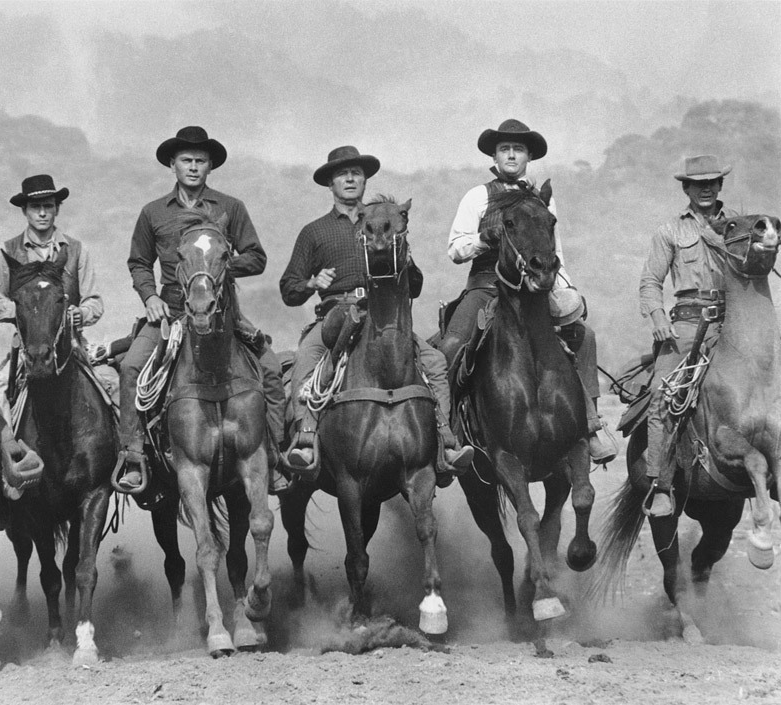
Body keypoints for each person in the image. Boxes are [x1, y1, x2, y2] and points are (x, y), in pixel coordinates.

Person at [278, 145, 472, 480]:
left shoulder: (386, 222)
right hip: (334, 314)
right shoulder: (315, 232)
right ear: (331, 184)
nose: (350, 178)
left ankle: (445, 441)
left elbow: (417, 286)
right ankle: (305, 439)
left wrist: (405, 261)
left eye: (356, 172)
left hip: (384, 317)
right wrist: (312, 281)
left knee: (436, 362)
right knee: (305, 361)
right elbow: (288, 289)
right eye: (342, 174)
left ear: (365, 180)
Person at [114, 126, 287, 493]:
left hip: (221, 311)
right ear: (173, 165)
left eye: (200, 161)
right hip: (171, 311)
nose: (193, 167)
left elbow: (256, 257)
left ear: (210, 167)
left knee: (270, 366)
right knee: (130, 368)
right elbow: (139, 262)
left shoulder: (230, 207)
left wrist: (213, 269)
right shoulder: (153, 212)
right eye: (186, 161)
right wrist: (150, 298)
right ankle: (134, 455)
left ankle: (274, 456)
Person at [440, 119, 617, 465]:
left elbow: (556, 255)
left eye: (517, 149)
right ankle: (447, 438)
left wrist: (569, 291)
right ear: (494, 155)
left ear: (528, 157)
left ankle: (591, 427)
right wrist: (481, 240)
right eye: (504, 148)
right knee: (450, 348)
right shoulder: (477, 196)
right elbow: (454, 249)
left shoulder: (542, 201)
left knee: (585, 336)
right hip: (486, 287)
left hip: (534, 290)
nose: (510, 154)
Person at [639, 155, 736, 517]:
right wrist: (658, 317)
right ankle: (660, 485)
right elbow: (650, 282)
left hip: (734, 323)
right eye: (699, 183)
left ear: (721, 185)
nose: (707, 188)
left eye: (713, 181)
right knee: (662, 395)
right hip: (686, 325)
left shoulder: (738, 227)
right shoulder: (670, 231)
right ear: (686, 188)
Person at [0, 174, 105, 410]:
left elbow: (94, 300)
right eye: (35, 207)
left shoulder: (77, 250)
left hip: (72, 345)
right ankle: (6, 446)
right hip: (24, 348)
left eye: (48, 206)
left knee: (111, 386)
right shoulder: (7, 251)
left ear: (57, 210)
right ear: (24, 211)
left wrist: (82, 313)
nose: (42, 213)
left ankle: (128, 445)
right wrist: (23, 310)